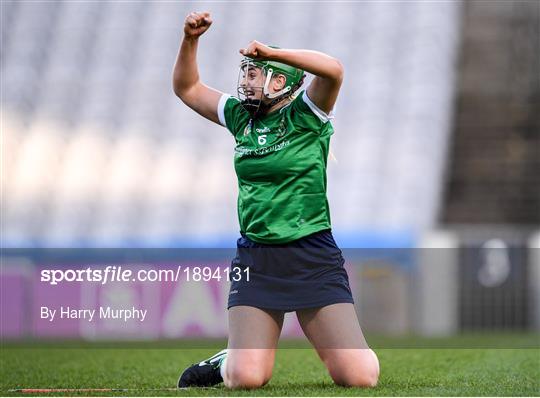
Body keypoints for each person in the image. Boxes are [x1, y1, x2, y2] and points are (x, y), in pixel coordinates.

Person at [172, 11, 380, 389]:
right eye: (246, 73)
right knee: (247, 377)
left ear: (279, 81)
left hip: (313, 255)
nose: (245, 83)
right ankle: (226, 362)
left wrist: (272, 52)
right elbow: (188, 88)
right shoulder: (241, 118)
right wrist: (190, 39)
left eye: (253, 74)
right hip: (258, 256)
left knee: (359, 376)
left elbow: (333, 69)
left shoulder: (308, 114)